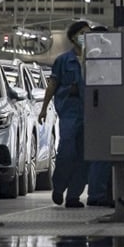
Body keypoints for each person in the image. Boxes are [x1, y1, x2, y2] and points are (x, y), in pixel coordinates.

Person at [39, 20, 91, 208]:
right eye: (82, 34)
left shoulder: (96, 59)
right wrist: (44, 108)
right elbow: (53, 84)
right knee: (67, 152)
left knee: (85, 155)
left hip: (92, 113)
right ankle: (59, 187)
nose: (86, 37)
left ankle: (74, 196)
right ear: (73, 37)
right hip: (70, 111)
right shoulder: (63, 60)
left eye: (89, 33)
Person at [84, 25, 114, 207]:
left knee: (101, 155)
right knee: (101, 156)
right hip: (98, 111)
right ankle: (97, 194)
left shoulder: (92, 57)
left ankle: (99, 192)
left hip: (98, 111)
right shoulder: (95, 58)